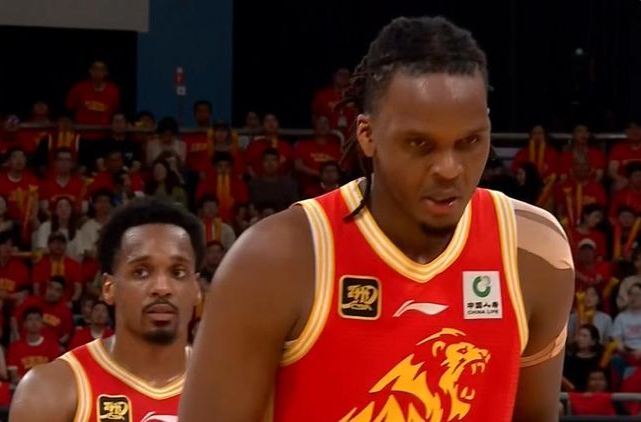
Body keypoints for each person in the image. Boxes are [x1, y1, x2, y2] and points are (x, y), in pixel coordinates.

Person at [180, 16, 574, 421]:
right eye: (420, 144)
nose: (449, 169)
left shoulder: (535, 253)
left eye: (470, 141)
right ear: (367, 135)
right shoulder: (274, 260)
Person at [10, 198, 203, 422]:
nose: (162, 287)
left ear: (196, 288)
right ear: (109, 289)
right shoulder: (50, 390)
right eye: (141, 272)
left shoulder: (229, 389)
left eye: (178, 272)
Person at [6, 307, 61, 384]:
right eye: (30, 319)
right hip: (23, 386)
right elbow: (14, 376)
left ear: (42, 324)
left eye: (37, 319)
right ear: (24, 324)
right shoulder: (14, 348)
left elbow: (55, 372)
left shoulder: (52, 346)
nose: (34, 323)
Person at [13, 276, 74, 345]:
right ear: (46, 287)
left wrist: (56, 345)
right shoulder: (31, 301)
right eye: (50, 288)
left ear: (62, 293)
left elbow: (66, 335)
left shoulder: (65, 311)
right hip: (26, 344)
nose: (52, 292)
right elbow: (14, 318)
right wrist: (16, 336)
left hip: (50, 347)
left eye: (57, 290)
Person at [0, 147, 40, 224]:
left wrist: (33, 219)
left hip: (28, 222)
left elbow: (35, 203)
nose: (19, 160)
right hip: (6, 223)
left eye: (22, 157)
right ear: (8, 161)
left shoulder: (32, 180)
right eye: (15, 157)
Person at [554, 156, 607, 228]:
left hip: (591, 230)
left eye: (585, 165)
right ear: (572, 167)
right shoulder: (562, 187)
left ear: (590, 167)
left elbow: (600, 214)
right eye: (578, 164)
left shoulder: (598, 189)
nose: (582, 168)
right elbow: (559, 212)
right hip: (567, 229)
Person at [65, 60, 120, 127]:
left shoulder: (113, 90)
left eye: (102, 70)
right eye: (95, 69)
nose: (98, 72)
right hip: (82, 130)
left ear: (106, 73)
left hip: (104, 131)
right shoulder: (79, 88)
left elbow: (116, 113)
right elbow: (68, 110)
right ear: (90, 71)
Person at [0, 231, 31, 306]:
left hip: (13, 301)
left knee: (22, 302)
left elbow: (26, 292)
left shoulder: (20, 266)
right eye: (4, 244)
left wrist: (9, 297)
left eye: (10, 244)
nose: (7, 247)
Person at [31, 232, 83, 302]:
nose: (58, 245)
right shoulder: (40, 264)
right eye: (54, 242)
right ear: (48, 245)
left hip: (67, 304)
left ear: (66, 246)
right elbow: (36, 289)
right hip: (44, 303)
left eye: (61, 243)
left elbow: (78, 290)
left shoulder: (74, 265)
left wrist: (71, 303)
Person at [294, 115, 342, 190]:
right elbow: (298, 166)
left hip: (332, 188)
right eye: (320, 122)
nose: (323, 126)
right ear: (315, 125)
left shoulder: (336, 147)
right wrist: (320, 175)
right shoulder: (303, 145)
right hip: (308, 187)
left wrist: (327, 176)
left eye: (325, 123)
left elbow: (342, 167)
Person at [39, 148, 89, 216]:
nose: (64, 163)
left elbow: (84, 209)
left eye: (67, 160)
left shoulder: (82, 185)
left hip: (75, 220)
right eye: (60, 159)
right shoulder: (44, 184)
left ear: (72, 164)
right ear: (55, 163)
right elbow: (45, 209)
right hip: (52, 220)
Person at [563, 324, 604, 392]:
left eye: (584, 336)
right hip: (573, 393)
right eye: (579, 335)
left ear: (593, 341)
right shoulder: (569, 359)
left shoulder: (600, 359)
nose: (580, 339)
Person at [608, 120, 641, 191]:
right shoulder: (618, 148)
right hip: (625, 181)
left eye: (638, 128)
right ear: (626, 132)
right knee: (617, 185)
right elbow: (612, 170)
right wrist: (623, 179)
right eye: (631, 129)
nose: (635, 131)